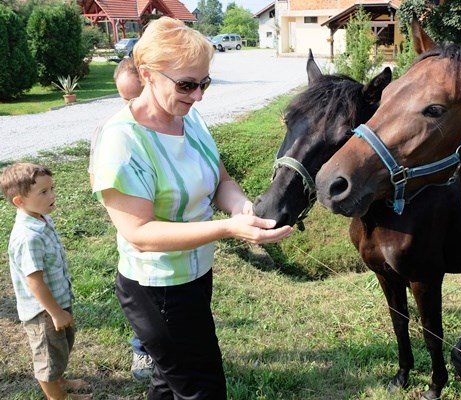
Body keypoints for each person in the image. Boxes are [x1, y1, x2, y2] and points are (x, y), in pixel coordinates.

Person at [90, 17, 293, 399]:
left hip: (196, 275)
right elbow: (140, 234)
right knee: (202, 389)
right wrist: (228, 229)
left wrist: (240, 208)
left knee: (170, 382)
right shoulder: (122, 142)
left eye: (204, 83)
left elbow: (220, 180)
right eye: (186, 84)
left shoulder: (189, 117)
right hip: (158, 288)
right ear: (147, 75)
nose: (198, 95)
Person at [1, 162, 92, 400]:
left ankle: (61, 380)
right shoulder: (28, 237)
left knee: (61, 348)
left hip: (57, 303)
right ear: (19, 201)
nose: (52, 195)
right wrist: (55, 312)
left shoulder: (40, 218)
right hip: (43, 312)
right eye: (44, 192)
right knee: (47, 359)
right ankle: (57, 397)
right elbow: (35, 282)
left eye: (52, 188)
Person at [94, 56, 155, 381]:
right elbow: (98, 178)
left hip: (178, 254)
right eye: (124, 98)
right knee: (144, 304)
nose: (130, 104)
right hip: (141, 244)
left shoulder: (173, 122)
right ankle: (141, 350)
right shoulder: (115, 131)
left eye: (136, 95)